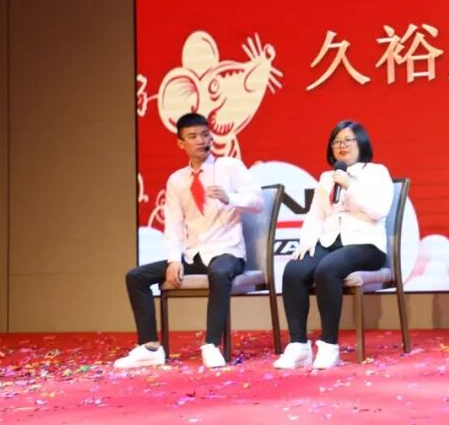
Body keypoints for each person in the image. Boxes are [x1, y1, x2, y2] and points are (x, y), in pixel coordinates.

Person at [116, 112, 264, 369]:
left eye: (205, 135)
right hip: (193, 255)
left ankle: (211, 345)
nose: (201, 141)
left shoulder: (229, 167)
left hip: (228, 251)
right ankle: (150, 347)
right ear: (181, 143)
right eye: (193, 136)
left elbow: (258, 202)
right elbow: (173, 223)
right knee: (136, 277)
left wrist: (230, 198)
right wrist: (174, 260)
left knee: (219, 273)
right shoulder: (177, 180)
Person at [273, 120, 393, 370]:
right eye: (336, 142)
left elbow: (379, 210)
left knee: (327, 269)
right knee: (293, 270)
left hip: (365, 244)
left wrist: (351, 187)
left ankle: (329, 346)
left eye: (347, 140)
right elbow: (316, 215)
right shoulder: (327, 177)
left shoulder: (376, 172)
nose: (341, 146)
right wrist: (307, 242)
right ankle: (298, 346)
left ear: (361, 143)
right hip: (330, 241)